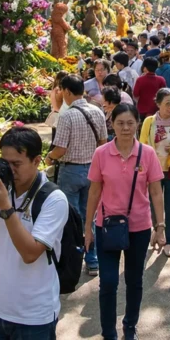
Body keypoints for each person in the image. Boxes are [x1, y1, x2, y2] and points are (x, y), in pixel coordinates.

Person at [0, 127, 69, 339]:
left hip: (34, 317)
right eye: (5, 162)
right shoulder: (5, 189)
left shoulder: (53, 199)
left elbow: (30, 254)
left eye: (16, 164)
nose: (9, 170)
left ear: (37, 161)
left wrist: (6, 207)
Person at [85, 104, 167, 340]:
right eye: (120, 123)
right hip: (107, 226)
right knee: (108, 282)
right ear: (112, 124)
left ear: (137, 123)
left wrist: (160, 227)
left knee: (134, 280)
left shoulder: (148, 154)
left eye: (130, 123)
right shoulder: (101, 153)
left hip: (139, 227)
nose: (125, 128)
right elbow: (93, 192)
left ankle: (130, 326)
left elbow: (156, 192)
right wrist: (88, 228)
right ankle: (108, 332)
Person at [46, 75, 107, 276]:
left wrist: (49, 157)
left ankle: (72, 259)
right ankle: (93, 260)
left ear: (68, 92)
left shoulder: (67, 116)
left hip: (71, 172)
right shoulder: (97, 111)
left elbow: (60, 148)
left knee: (71, 218)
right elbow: (103, 142)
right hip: (92, 171)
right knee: (91, 215)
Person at [138, 88, 170, 255]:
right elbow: (142, 144)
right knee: (154, 204)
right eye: (167, 104)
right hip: (153, 171)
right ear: (158, 103)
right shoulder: (149, 122)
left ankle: (168, 241)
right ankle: (157, 231)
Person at [46, 71, 69, 143]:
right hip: (59, 115)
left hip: (55, 113)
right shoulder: (59, 90)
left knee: (54, 139)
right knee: (58, 141)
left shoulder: (55, 89)